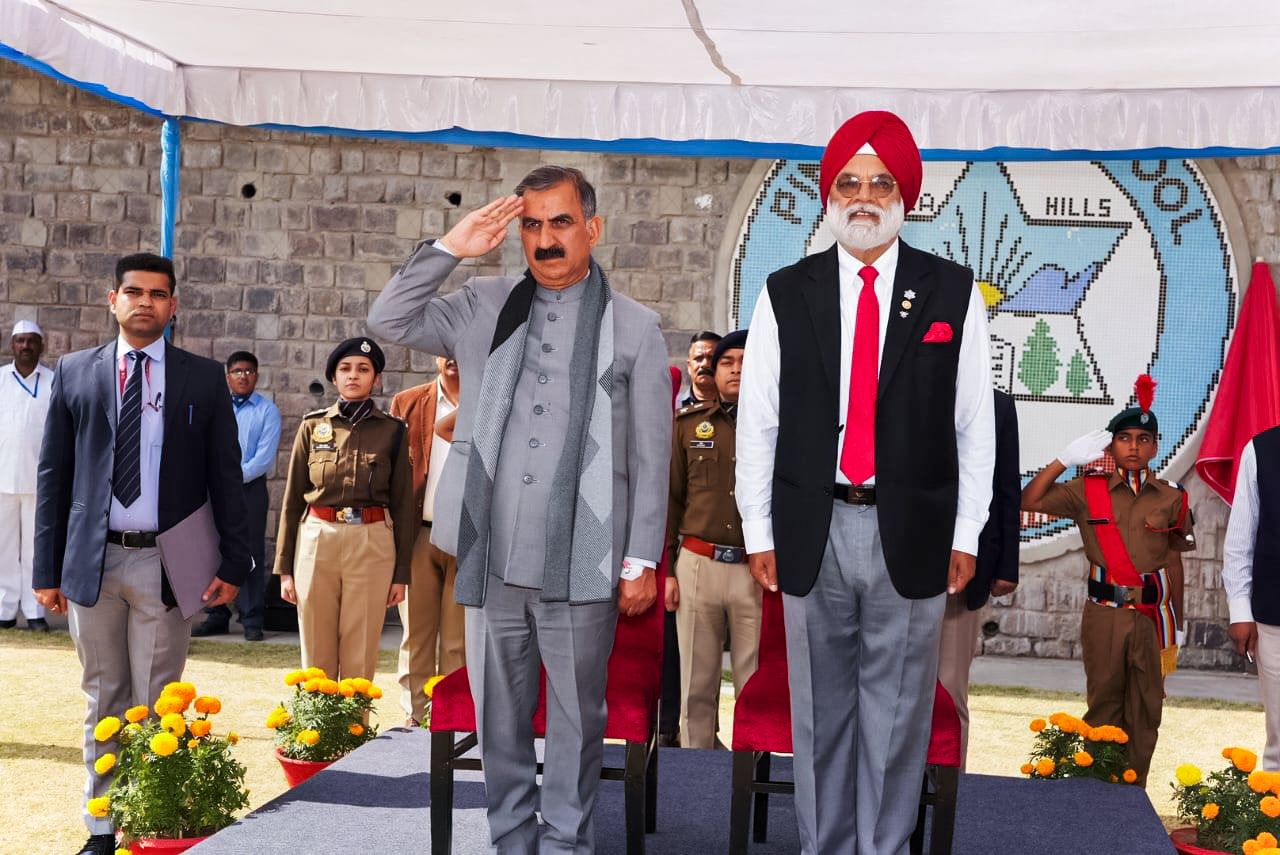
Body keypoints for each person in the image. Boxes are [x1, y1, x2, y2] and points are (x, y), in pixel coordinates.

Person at [367, 164, 671, 853]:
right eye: (531, 225)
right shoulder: (483, 302)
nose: (545, 238)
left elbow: (652, 457)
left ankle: (565, 843)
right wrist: (452, 247)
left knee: (575, 719)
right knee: (498, 718)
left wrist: (642, 558)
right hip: (491, 553)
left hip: (584, 559)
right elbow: (387, 319)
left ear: (592, 228)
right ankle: (510, 840)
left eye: (561, 221)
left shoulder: (636, 326)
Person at [735, 111, 995, 855]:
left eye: (881, 183)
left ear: (906, 195)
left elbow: (976, 425)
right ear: (829, 195)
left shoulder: (951, 292)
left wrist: (966, 533)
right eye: (848, 182)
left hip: (912, 533)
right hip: (810, 531)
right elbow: (758, 422)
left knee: (897, 714)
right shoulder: (786, 291)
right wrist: (758, 530)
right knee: (818, 715)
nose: (864, 197)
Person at [32, 252, 251, 855]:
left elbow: (226, 477)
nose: (144, 302)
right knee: (103, 697)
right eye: (134, 292)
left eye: (157, 294)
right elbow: (54, 476)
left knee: (156, 701)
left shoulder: (202, 378)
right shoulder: (74, 372)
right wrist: (46, 569)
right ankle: (103, 828)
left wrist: (235, 563)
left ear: (173, 305)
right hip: (94, 563)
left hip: (166, 564)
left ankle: (150, 821)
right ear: (113, 300)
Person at [1021, 375, 1195, 785]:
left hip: (1153, 618)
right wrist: (1063, 460)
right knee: (1103, 706)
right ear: (1111, 446)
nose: (1133, 447)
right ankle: (1097, 797)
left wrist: (1179, 622)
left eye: (1143, 439)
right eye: (1124, 438)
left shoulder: (1173, 496)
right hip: (1105, 615)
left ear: (1155, 446)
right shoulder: (1087, 490)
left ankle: (1134, 793)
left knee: (1147, 709)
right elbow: (1029, 500)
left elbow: (1173, 561)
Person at [273, 338, 415, 681]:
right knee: (315, 646)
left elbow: (403, 505)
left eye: (363, 369)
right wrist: (285, 568)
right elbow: (292, 501)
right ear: (334, 378)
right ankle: (316, 717)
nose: (353, 375)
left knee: (360, 646)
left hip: (371, 541)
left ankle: (356, 717)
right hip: (318, 538)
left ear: (376, 379)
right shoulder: (312, 426)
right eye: (345, 369)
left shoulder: (393, 431)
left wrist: (401, 573)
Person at [666, 329, 758, 749]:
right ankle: (695, 774)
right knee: (695, 686)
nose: (736, 370)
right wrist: (668, 570)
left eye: (745, 361)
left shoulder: (777, 426)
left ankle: (749, 775)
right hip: (698, 564)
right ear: (713, 372)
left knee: (752, 685)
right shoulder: (688, 425)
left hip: (754, 570)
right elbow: (671, 500)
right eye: (727, 362)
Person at [936, 389, 1020, 767]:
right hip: (896, 564)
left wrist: (1006, 566)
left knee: (950, 686)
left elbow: (1007, 488)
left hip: (963, 571)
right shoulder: (904, 384)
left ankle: (949, 780)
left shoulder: (997, 405)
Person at [389, 355, 466, 727]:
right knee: (416, 634)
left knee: (458, 641)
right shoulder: (408, 402)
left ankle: (452, 720)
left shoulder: (490, 400)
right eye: (443, 348)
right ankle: (414, 719)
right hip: (419, 533)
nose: (452, 356)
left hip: (468, 538)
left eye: (458, 348)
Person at [193, 351, 281, 641]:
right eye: (237, 371)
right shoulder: (215, 406)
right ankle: (216, 614)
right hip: (213, 488)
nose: (243, 376)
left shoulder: (267, 411)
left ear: (257, 376)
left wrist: (228, 479)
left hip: (248, 488)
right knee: (212, 549)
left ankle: (252, 617)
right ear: (227, 376)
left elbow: (263, 459)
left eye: (249, 371)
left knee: (250, 550)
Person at [1220, 425, 1280, 767]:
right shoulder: (1262, 449)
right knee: (1279, 739)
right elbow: (1241, 537)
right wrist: (1240, 610)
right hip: (1275, 616)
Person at [0, 320, 54, 631]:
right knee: (4, 549)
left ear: (41, 345)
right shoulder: (1, 380)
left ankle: (35, 612)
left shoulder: (53, 381)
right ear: (12, 345)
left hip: (39, 482)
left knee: (36, 551)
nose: (25, 346)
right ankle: (5, 611)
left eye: (32, 340)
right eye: (20, 340)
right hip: (3, 479)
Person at [681, 330, 721, 408]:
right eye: (698, 358)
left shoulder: (737, 407)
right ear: (689, 366)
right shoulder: (673, 407)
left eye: (711, 358)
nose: (705, 364)